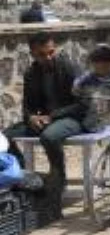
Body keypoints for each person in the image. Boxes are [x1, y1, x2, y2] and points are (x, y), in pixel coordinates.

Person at [3, 32, 85, 217]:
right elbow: (27, 106)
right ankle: (22, 176)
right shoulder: (32, 73)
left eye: (51, 52)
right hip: (46, 120)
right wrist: (31, 117)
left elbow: (83, 104)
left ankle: (58, 181)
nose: (47, 57)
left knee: (49, 136)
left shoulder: (70, 68)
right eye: (41, 54)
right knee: (4, 137)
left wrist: (52, 116)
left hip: (73, 118)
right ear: (32, 54)